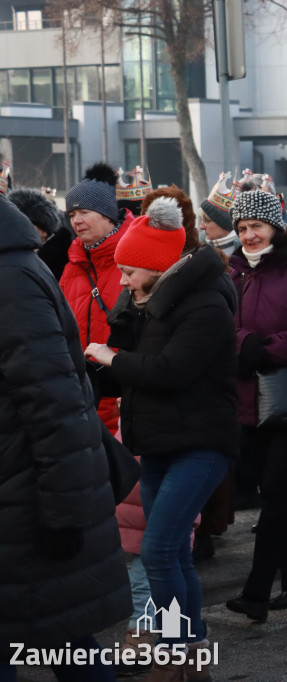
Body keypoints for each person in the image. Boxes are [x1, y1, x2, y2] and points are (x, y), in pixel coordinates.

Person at [84, 197, 236, 679]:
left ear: (155, 266)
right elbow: (136, 371)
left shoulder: (206, 302)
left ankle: (173, 653)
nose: (124, 281)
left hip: (201, 441)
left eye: (129, 271)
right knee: (169, 551)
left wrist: (112, 359)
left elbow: (173, 371)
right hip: (159, 442)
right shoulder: (151, 303)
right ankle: (191, 651)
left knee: (159, 549)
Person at [0, 192, 131, 681]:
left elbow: (55, 406)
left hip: (24, 501)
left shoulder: (11, 278)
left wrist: (63, 513)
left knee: (59, 637)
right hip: (22, 497)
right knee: (64, 636)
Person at [224, 190, 287, 624]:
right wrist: (247, 345)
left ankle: (256, 593)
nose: (248, 235)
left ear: (276, 228)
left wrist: (264, 349)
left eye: (256, 227)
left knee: (278, 496)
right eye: (242, 228)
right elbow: (227, 324)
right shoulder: (236, 270)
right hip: (249, 397)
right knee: (279, 493)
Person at [60, 162, 134, 436]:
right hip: (79, 391)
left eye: (84, 212)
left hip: (122, 392)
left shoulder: (135, 259)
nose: (76, 220)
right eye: (71, 213)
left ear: (108, 215)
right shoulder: (72, 263)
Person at [199, 172, 242, 256]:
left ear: (226, 225)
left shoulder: (244, 256)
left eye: (206, 220)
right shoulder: (198, 248)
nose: (201, 226)